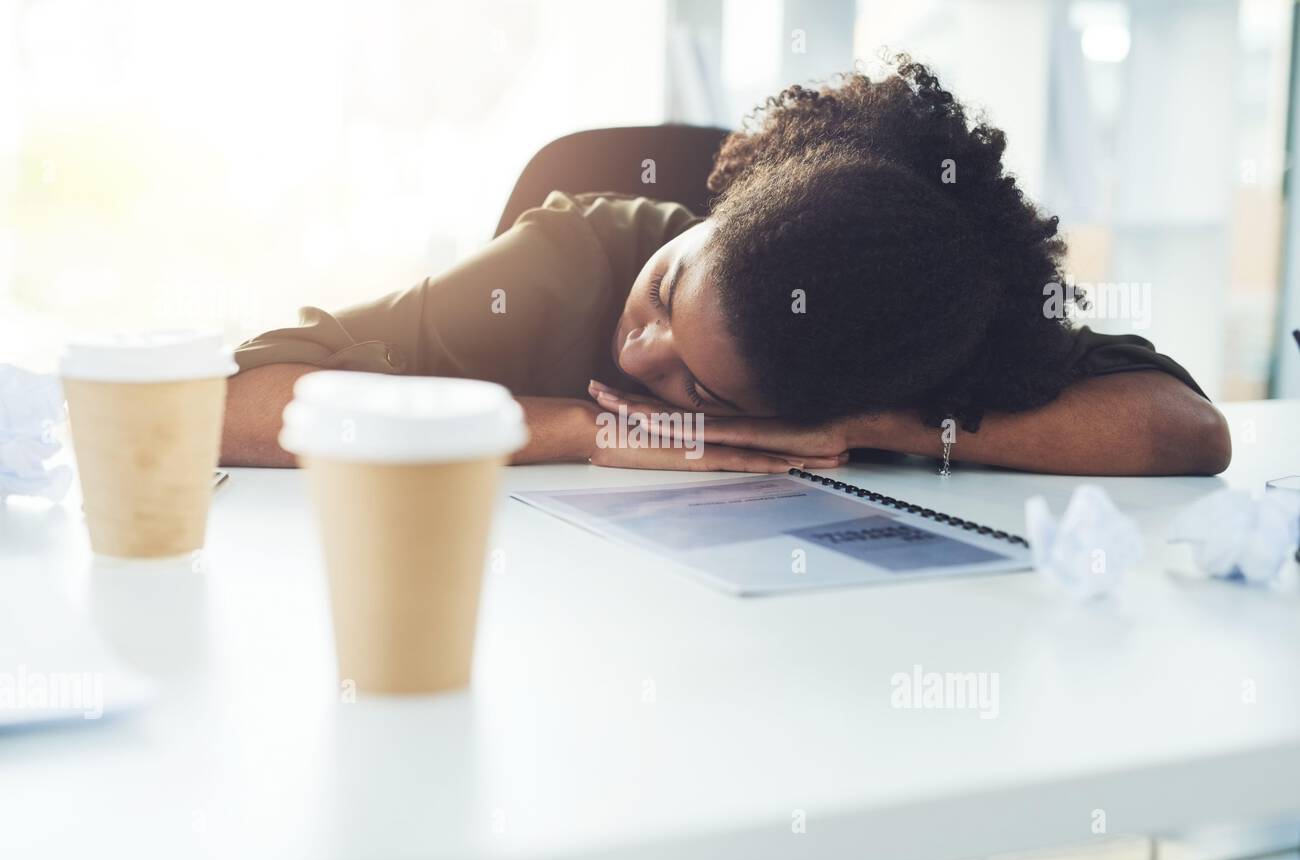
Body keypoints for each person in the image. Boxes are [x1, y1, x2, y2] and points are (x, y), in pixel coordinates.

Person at [222, 56, 1230, 476]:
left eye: (693, 383)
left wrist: (867, 424)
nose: (639, 342)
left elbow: (1184, 431)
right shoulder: (571, 260)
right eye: (669, 287)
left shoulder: (902, 331)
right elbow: (233, 404)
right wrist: (589, 429)